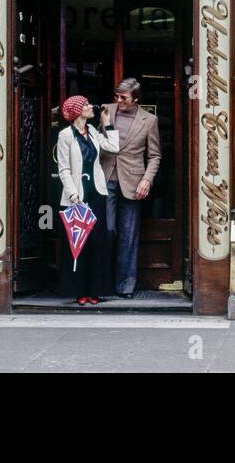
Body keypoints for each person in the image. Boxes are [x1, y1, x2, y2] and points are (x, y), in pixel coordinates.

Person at [101, 77, 162, 299]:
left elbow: (154, 156)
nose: (119, 100)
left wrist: (147, 180)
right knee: (107, 230)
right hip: (105, 178)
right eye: (116, 96)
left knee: (128, 235)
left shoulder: (149, 120)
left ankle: (125, 286)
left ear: (136, 99)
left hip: (134, 183)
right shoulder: (106, 110)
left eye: (124, 98)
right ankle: (103, 282)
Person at [56, 96, 119, 306]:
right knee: (78, 244)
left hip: (96, 192)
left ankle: (96, 290)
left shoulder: (92, 131)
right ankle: (79, 291)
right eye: (85, 105)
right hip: (77, 196)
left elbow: (113, 147)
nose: (90, 106)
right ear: (76, 112)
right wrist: (73, 194)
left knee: (98, 242)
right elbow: (63, 168)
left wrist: (107, 123)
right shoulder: (65, 136)